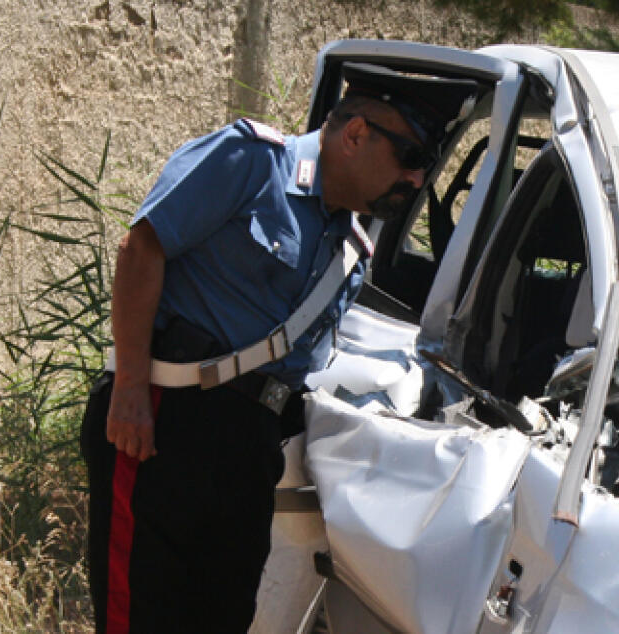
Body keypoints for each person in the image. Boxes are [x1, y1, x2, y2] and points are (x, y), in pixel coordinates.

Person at [80, 63, 479, 633]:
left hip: (249, 450)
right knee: (139, 617)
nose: (417, 180)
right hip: (165, 421)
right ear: (356, 133)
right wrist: (128, 388)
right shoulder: (250, 162)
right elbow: (141, 248)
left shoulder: (351, 255)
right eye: (411, 158)